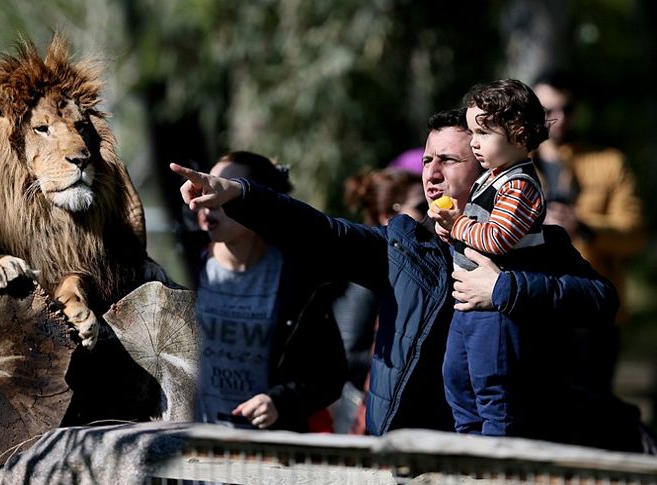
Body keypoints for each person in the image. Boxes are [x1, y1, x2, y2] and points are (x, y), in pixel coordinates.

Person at [169, 111, 649, 451]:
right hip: (412, 457)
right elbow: (321, 231)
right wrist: (240, 195)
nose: (432, 174)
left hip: (510, 455)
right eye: (427, 161)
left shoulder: (536, 244)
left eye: (450, 161)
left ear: (487, 169)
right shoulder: (401, 248)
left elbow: (600, 301)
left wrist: (505, 289)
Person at [192, 151, 347, 432]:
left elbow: (329, 375)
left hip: (271, 455)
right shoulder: (191, 270)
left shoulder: (299, 280)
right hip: (197, 450)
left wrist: (279, 402)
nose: (209, 199)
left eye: (224, 190)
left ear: (257, 202)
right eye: (207, 187)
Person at [428, 79, 550, 436]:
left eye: (483, 132)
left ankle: (495, 458)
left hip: (496, 313)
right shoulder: (492, 178)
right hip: (467, 304)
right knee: (456, 377)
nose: (474, 142)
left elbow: (497, 238)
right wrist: (448, 227)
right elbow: (474, 230)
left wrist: (458, 224)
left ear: (519, 133)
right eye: (472, 132)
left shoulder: (520, 185)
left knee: (492, 387)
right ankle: (469, 448)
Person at [532, 71, 645, 392]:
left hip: (592, 309)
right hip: (531, 304)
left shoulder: (609, 162)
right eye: (548, 110)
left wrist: (582, 225)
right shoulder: (514, 163)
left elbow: (634, 233)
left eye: (566, 108)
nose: (559, 118)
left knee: (592, 413)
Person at [334, 167, 426, 434]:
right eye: (421, 207)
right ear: (390, 217)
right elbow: (348, 354)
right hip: (367, 426)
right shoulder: (373, 273)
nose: (431, 214)